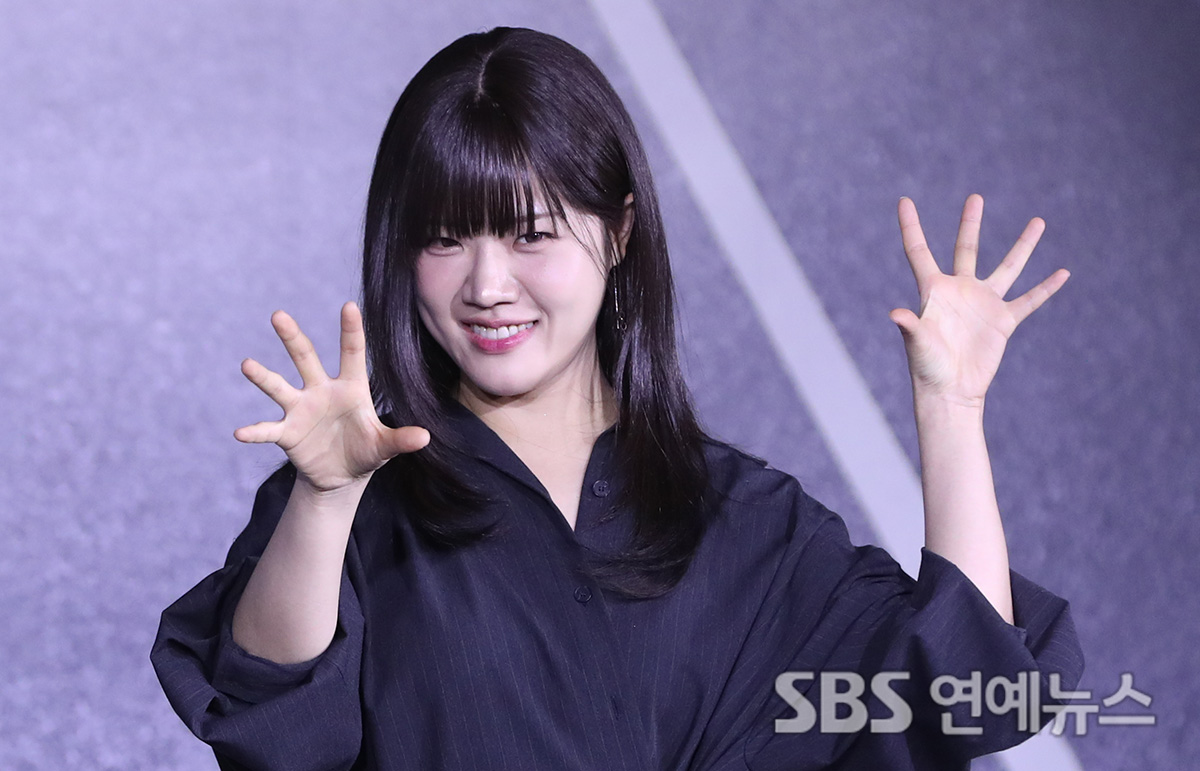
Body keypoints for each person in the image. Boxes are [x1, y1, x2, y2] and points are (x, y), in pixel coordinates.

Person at [151, 26, 1083, 771]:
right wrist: (322, 501)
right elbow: (271, 719)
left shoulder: (748, 524)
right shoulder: (357, 498)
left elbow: (969, 694)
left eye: (531, 234)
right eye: (444, 238)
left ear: (620, 230)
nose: (487, 286)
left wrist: (953, 413)